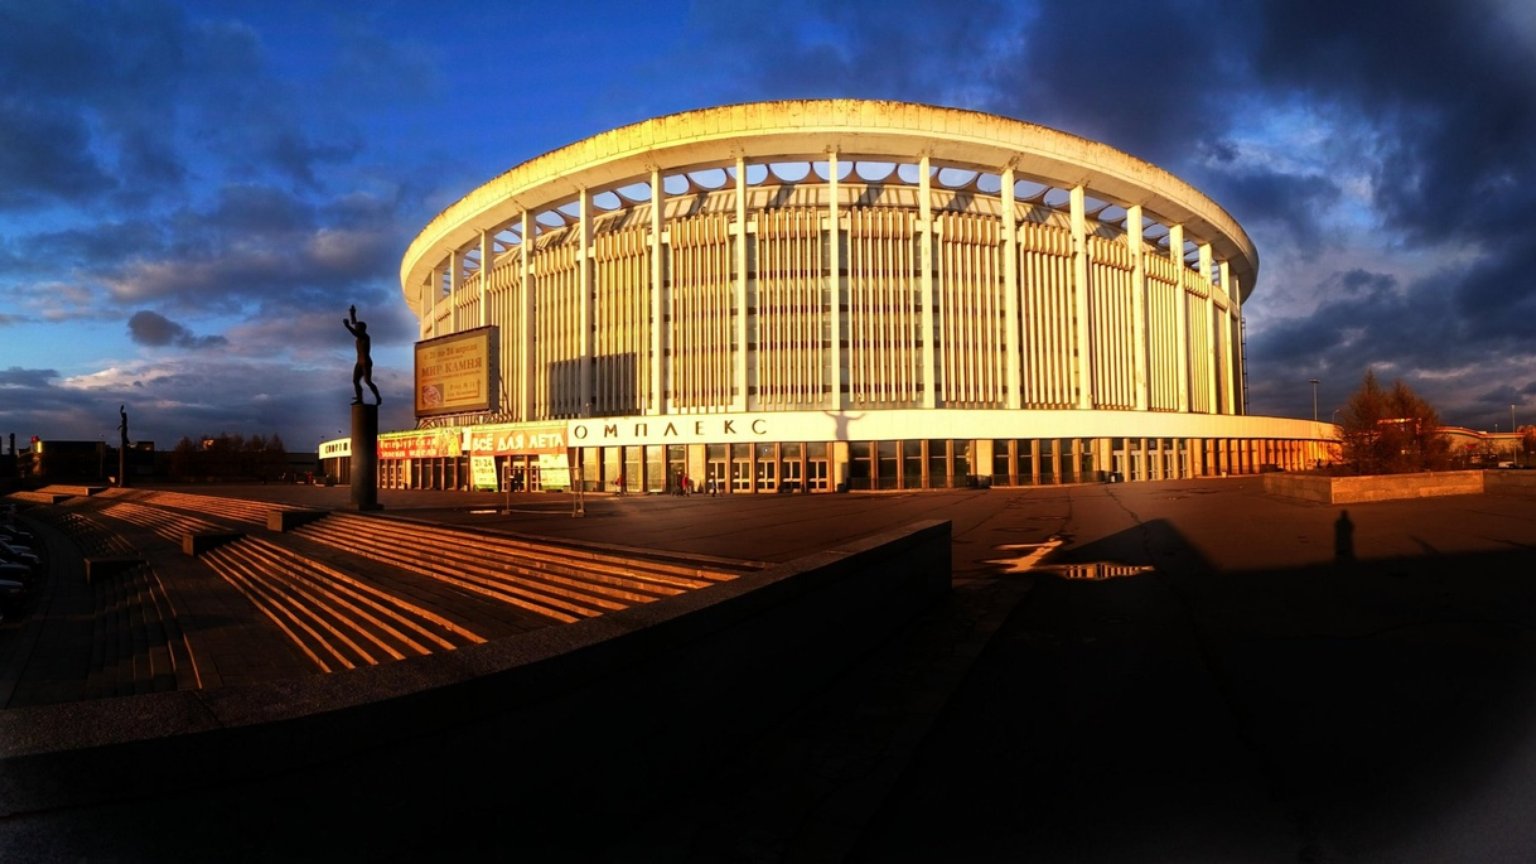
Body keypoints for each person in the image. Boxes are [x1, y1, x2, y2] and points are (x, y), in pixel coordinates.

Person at [343, 305, 382, 405]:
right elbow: (355, 323)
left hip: (365, 362)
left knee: (368, 381)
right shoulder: (360, 333)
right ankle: (359, 399)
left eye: (357, 328)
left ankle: (378, 397)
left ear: (362, 329)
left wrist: (347, 327)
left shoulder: (364, 336)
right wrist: (352, 314)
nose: (356, 328)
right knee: (355, 381)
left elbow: (355, 332)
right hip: (359, 362)